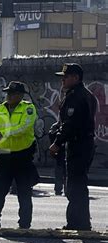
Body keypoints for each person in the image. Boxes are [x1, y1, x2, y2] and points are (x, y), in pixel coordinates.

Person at [49, 63, 97, 231]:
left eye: (66, 76)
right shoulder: (86, 95)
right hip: (84, 144)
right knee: (78, 184)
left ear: (76, 78)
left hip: (78, 144)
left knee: (75, 186)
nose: (62, 80)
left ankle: (78, 223)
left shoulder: (76, 96)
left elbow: (71, 124)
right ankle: (80, 222)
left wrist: (57, 142)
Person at [0, 81, 38, 229]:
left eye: (12, 93)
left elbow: (23, 127)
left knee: (24, 192)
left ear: (20, 95)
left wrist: (4, 133)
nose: (8, 96)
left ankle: (25, 224)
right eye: (7, 93)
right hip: (3, 156)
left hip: (22, 155)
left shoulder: (28, 108)